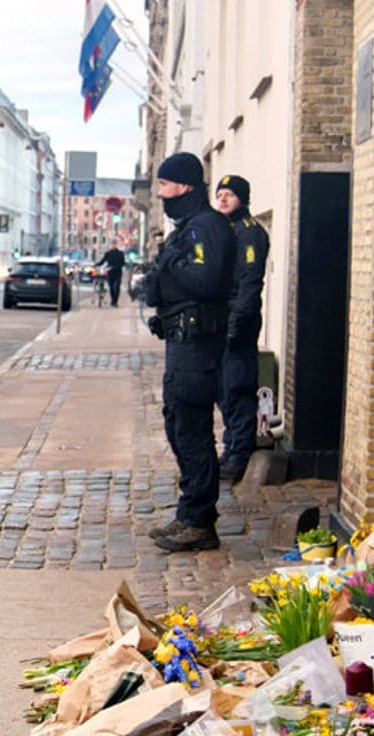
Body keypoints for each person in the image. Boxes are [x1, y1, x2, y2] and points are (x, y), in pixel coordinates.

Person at [142, 151, 235, 553]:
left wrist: (171, 265)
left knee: (191, 429)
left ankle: (197, 519)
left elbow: (207, 282)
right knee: (178, 424)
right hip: (182, 341)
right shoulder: (189, 227)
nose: (160, 193)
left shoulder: (207, 227)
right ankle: (192, 513)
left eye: (163, 185)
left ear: (182, 186)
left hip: (198, 347)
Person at [215, 175, 270, 483]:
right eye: (220, 195)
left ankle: (240, 453)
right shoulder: (225, 230)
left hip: (240, 318)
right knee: (223, 389)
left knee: (236, 386)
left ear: (243, 199)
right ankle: (230, 447)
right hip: (224, 317)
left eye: (230, 195)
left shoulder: (249, 233)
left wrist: (238, 320)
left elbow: (250, 281)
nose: (223, 200)